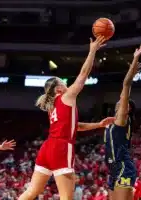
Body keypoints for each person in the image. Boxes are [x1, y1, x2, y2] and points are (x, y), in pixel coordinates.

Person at [18, 36, 113, 200]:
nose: (66, 83)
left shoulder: (52, 105)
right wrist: (92, 51)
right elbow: (83, 74)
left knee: (31, 192)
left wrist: (98, 124)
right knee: (66, 197)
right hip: (61, 147)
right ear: (58, 89)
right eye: (62, 82)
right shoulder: (66, 97)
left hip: (47, 147)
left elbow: (75, 126)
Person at [104, 43, 141, 200]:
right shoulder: (111, 123)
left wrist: (135, 59)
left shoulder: (123, 119)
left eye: (125, 103)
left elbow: (126, 84)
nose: (121, 102)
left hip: (123, 166)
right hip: (113, 168)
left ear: (127, 109)